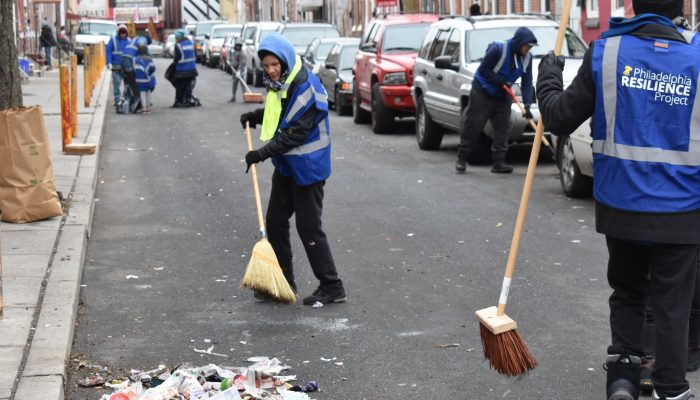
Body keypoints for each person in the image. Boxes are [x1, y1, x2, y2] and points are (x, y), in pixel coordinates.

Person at [535, 0, 700, 397]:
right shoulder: (695, 57)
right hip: (681, 210)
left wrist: (548, 75)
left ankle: (623, 377)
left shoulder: (606, 53)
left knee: (627, 292)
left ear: (633, 6)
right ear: (678, 9)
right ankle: (672, 389)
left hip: (621, 205)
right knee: (672, 306)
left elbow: (558, 118)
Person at [239, 33, 346, 306]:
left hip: (308, 167)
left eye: (274, 64)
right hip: (287, 165)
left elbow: (295, 133)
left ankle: (332, 285)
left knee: (308, 227)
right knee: (275, 221)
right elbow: (281, 114)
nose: (270, 70)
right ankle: (283, 282)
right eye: (266, 66)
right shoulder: (282, 83)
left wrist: (260, 154)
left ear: (284, 60)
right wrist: (257, 115)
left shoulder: (306, 86)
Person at [455, 27, 537, 174]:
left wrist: (528, 106)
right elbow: (483, 70)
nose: (528, 49)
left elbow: (527, 82)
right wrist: (500, 81)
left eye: (530, 47)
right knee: (472, 126)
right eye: (527, 46)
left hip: (503, 97)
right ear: (519, 43)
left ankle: (499, 163)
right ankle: (461, 159)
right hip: (482, 93)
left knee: (502, 130)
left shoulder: (527, 58)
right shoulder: (498, 50)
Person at [172, 29, 198, 107]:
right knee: (188, 85)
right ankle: (187, 100)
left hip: (181, 70)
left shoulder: (178, 46)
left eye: (176, 38)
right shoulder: (191, 43)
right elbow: (195, 54)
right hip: (191, 69)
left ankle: (179, 101)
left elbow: (176, 58)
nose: (175, 39)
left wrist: (174, 65)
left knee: (179, 86)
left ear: (179, 38)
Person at [106, 25, 131, 106]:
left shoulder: (129, 41)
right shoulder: (113, 40)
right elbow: (108, 51)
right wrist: (109, 62)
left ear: (126, 33)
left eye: (124, 33)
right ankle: (117, 101)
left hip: (126, 68)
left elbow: (132, 53)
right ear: (118, 33)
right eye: (121, 33)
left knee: (127, 85)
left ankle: (126, 100)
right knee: (117, 84)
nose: (123, 35)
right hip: (116, 67)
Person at [134, 42, 156, 114]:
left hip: (140, 80)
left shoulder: (135, 59)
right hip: (149, 80)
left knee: (142, 94)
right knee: (148, 93)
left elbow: (134, 69)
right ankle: (148, 109)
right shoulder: (149, 59)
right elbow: (153, 68)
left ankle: (144, 109)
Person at [229, 38, 246, 103]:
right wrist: (229, 62)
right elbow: (230, 57)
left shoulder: (242, 53)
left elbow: (242, 62)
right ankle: (233, 97)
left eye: (239, 45)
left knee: (242, 84)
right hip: (234, 70)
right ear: (235, 45)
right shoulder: (233, 51)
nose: (238, 46)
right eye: (237, 45)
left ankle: (245, 96)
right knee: (234, 83)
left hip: (240, 70)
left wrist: (239, 70)